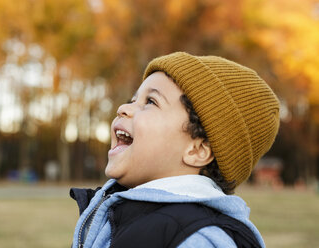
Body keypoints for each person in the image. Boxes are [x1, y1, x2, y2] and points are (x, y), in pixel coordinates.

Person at [70, 52, 280, 248]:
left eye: (150, 101)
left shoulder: (196, 238)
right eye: (132, 100)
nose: (123, 108)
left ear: (197, 150)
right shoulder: (124, 211)